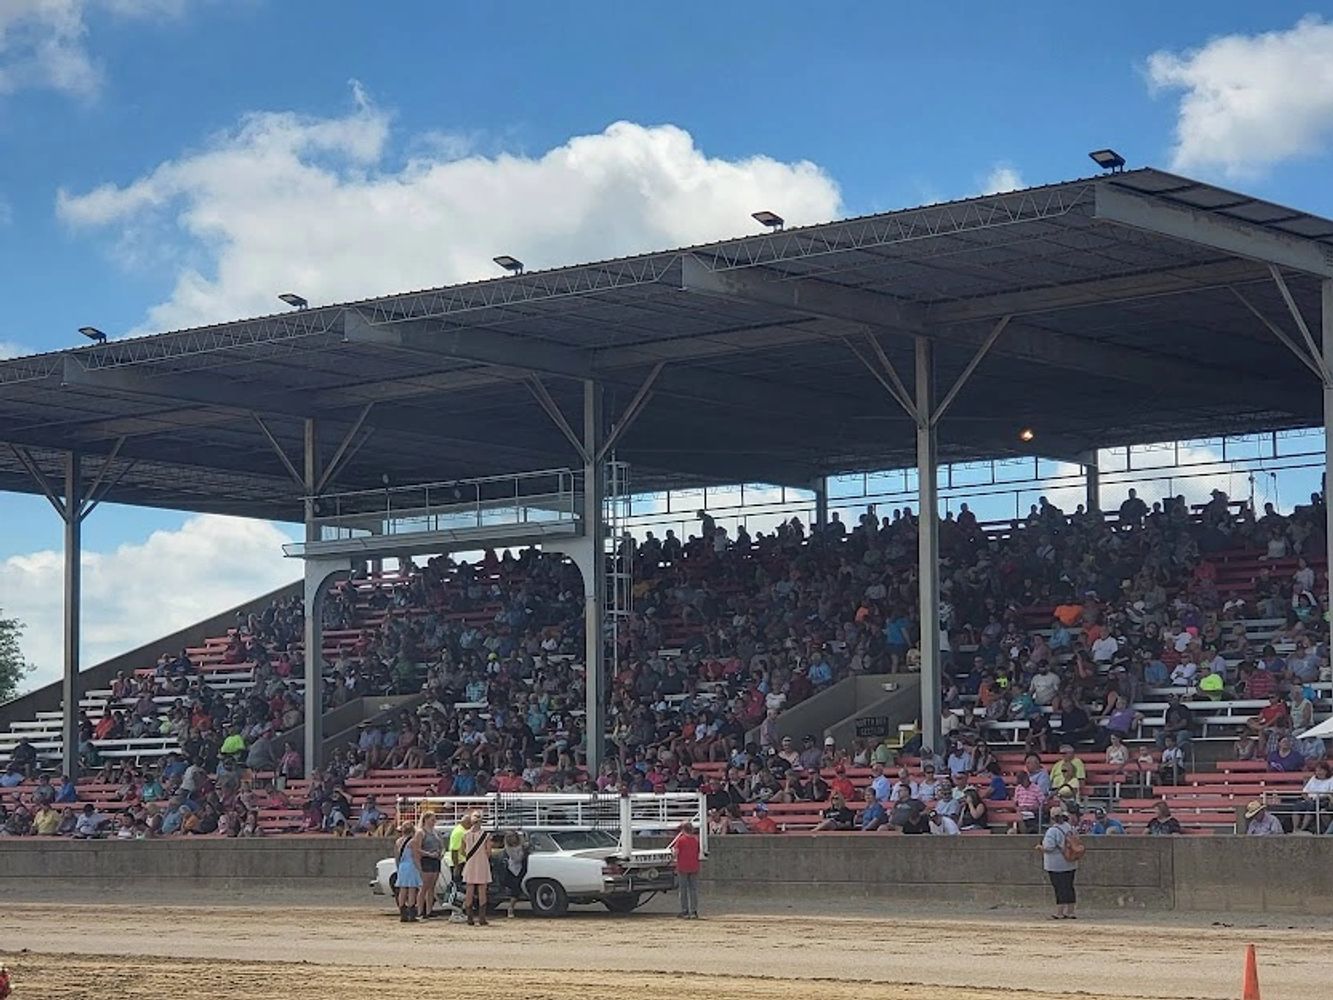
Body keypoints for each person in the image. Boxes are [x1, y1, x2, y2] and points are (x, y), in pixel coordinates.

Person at [1037, 803, 1080, 919]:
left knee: (1059, 887)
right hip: (1071, 862)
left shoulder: (1052, 831)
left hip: (1056, 864)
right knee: (1069, 886)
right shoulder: (1070, 827)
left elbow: (1049, 847)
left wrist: (1040, 848)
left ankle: (1060, 911)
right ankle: (1070, 911)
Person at [461, 810, 492, 925]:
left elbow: (462, 851)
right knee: (482, 890)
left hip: (470, 863)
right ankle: (482, 918)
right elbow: (488, 852)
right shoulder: (486, 835)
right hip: (482, 862)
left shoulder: (465, 835)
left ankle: (469, 917)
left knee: (469, 889)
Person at [671, 820, 702, 919]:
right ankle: (694, 911)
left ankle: (685, 911)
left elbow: (675, 853)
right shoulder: (696, 840)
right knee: (693, 890)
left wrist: (672, 852)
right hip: (694, 866)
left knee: (683, 890)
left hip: (682, 867)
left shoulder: (680, 840)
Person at [393, 821, 422, 922]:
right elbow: (415, 857)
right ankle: (411, 914)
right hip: (411, 866)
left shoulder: (398, 841)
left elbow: (396, 857)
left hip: (402, 866)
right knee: (412, 889)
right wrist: (420, 869)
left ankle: (402, 913)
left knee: (403, 889)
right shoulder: (413, 842)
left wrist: (398, 867)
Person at [416, 810, 443, 919]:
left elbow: (442, 845)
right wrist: (429, 854)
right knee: (424, 886)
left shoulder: (436, 833)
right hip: (426, 860)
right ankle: (420, 910)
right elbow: (417, 848)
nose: (434, 822)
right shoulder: (421, 832)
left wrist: (441, 853)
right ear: (426, 820)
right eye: (432, 820)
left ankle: (429, 910)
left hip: (435, 860)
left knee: (432, 887)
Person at [499, 831, 529, 917]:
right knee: (515, 888)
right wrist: (522, 850)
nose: (512, 838)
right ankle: (511, 908)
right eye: (510, 837)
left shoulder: (522, 844)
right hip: (513, 870)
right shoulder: (509, 848)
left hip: (523, 868)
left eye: (514, 836)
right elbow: (517, 859)